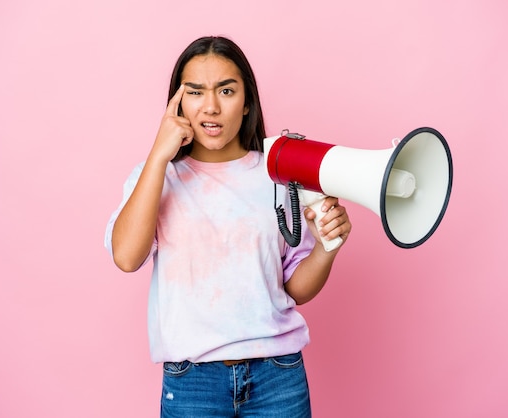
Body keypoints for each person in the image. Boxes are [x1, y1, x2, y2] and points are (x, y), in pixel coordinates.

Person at [104, 36, 352, 418]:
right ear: (178, 103)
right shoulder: (155, 177)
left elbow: (294, 290)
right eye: (196, 92)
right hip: (193, 383)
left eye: (226, 90)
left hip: (277, 377)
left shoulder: (280, 177)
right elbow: (126, 256)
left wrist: (325, 248)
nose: (212, 106)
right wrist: (158, 155)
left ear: (247, 101)